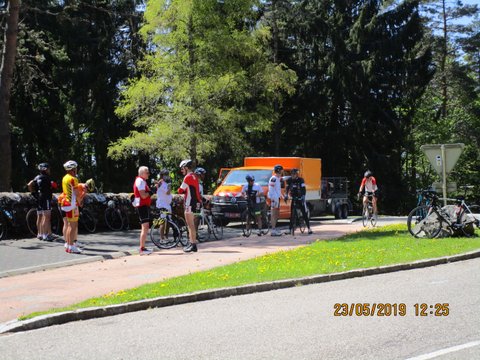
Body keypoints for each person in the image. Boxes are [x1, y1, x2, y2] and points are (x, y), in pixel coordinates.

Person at [27, 163, 57, 241]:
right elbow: (55, 186)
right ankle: (45, 235)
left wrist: (33, 193)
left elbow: (29, 184)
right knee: (46, 217)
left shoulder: (37, 177)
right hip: (46, 198)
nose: (49, 170)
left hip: (38, 198)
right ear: (45, 169)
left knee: (40, 216)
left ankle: (39, 234)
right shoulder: (47, 178)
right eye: (48, 169)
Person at [178, 159, 202, 252]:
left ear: (186, 168)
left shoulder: (187, 177)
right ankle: (192, 243)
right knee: (192, 225)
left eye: (182, 168)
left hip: (189, 203)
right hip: (195, 202)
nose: (181, 170)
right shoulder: (195, 176)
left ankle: (192, 244)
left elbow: (180, 190)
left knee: (190, 225)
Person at [59, 160, 82, 254]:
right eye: (75, 168)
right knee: (72, 226)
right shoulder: (73, 179)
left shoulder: (64, 178)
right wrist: (80, 202)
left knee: (69, 225)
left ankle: (68, 245)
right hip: (72, 204)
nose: (76, 170)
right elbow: (76, 193)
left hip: (66, 203)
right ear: (73, 169)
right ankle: (72, 246)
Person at [284, 168, 312, 235]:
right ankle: (289, 229)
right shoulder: (289, 180)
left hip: (300, 197)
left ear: (297, 174)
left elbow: (303, 189)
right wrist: (286, 195)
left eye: (294, 174)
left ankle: (309, 228)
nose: (293, 175)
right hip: (293, 197)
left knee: (304, 213)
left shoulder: (301, 180)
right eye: (292, 174)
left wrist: (303, 196)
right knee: (292, 214)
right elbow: (287, 188)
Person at [132, 166, 153, 255]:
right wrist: (151, 192)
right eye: (147, 172)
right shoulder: (140, 181)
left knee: (145, 227)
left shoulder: (142, 181)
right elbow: (143, 195)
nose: (148, 174)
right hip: (142, 206)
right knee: (145, 227)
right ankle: (142, 248)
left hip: (143, 205)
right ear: (141, 173)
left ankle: (143, 247)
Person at [155, 169, 172, 240]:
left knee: (168, 221)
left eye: (167, 175)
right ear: (162, 175)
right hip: (163, 205)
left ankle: (166, 236)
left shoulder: (165, 183)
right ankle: (162, 238)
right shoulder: (161, 183)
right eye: (166, 175)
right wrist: (170, 187)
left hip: (167, 205)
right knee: (163, 221)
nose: (167, 176)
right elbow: (167, 192)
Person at [268, 164, 283, 236]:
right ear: (278, 170)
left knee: (276, 214)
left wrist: (281, 196)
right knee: (273, 214)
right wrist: (274, 198)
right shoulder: (273, 178)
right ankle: (273, 230)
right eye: (281, 170)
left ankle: (274, 228)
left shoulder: (278, 179)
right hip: (274, 199)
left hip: (277, 198)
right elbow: (271, 189)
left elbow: (278, 190)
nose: (282, 171)